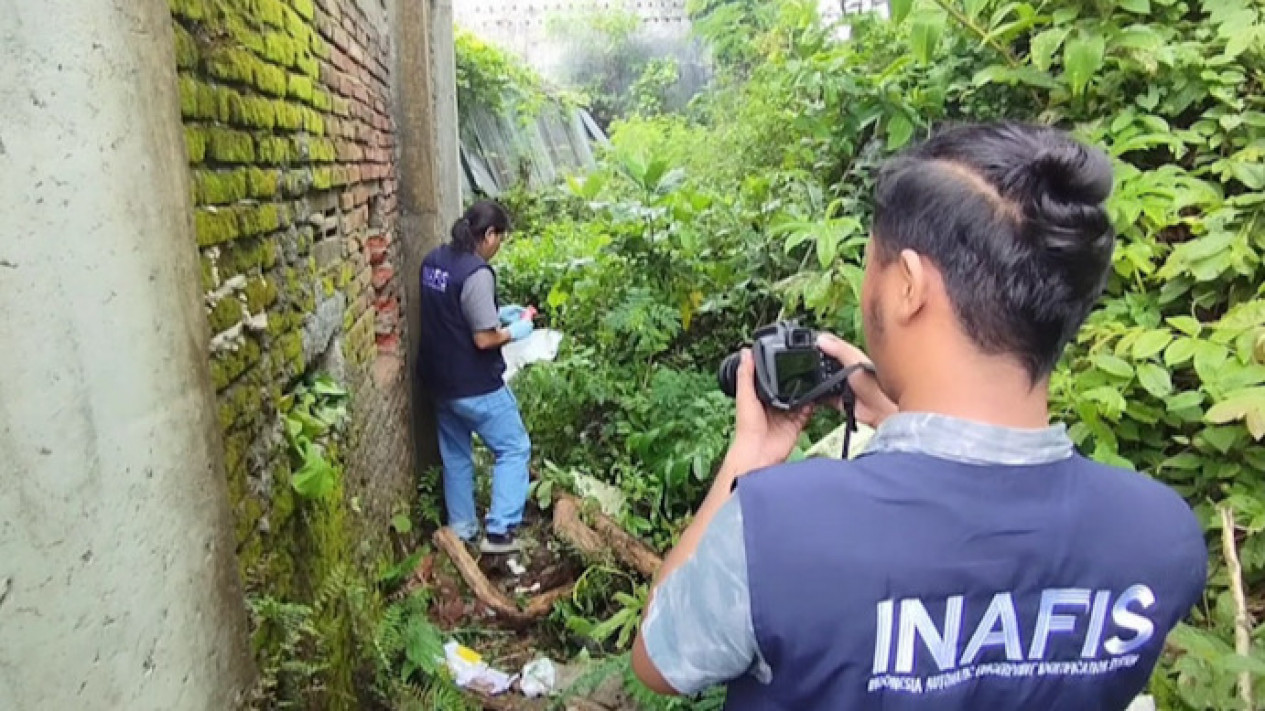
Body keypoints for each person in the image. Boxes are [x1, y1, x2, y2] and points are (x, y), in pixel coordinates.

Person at [631, 122, 1208, 709]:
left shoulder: (775, 527)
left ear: (907, 284)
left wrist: (749, 459)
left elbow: (659, 661)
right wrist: (896, 412)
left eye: (870, 263)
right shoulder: (1161, 538)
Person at [418, 200, 535, 554]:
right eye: (500, 238)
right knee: (514, 447)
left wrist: (501, 312)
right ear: (488, 235)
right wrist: (518, 330)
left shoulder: (434, 260)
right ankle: (500, 533)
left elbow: (455, 311)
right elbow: (484, 338)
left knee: (455, 455)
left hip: (438, 383)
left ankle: (463, 530)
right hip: (474, 386)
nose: (499, 247)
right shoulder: (478, 272)